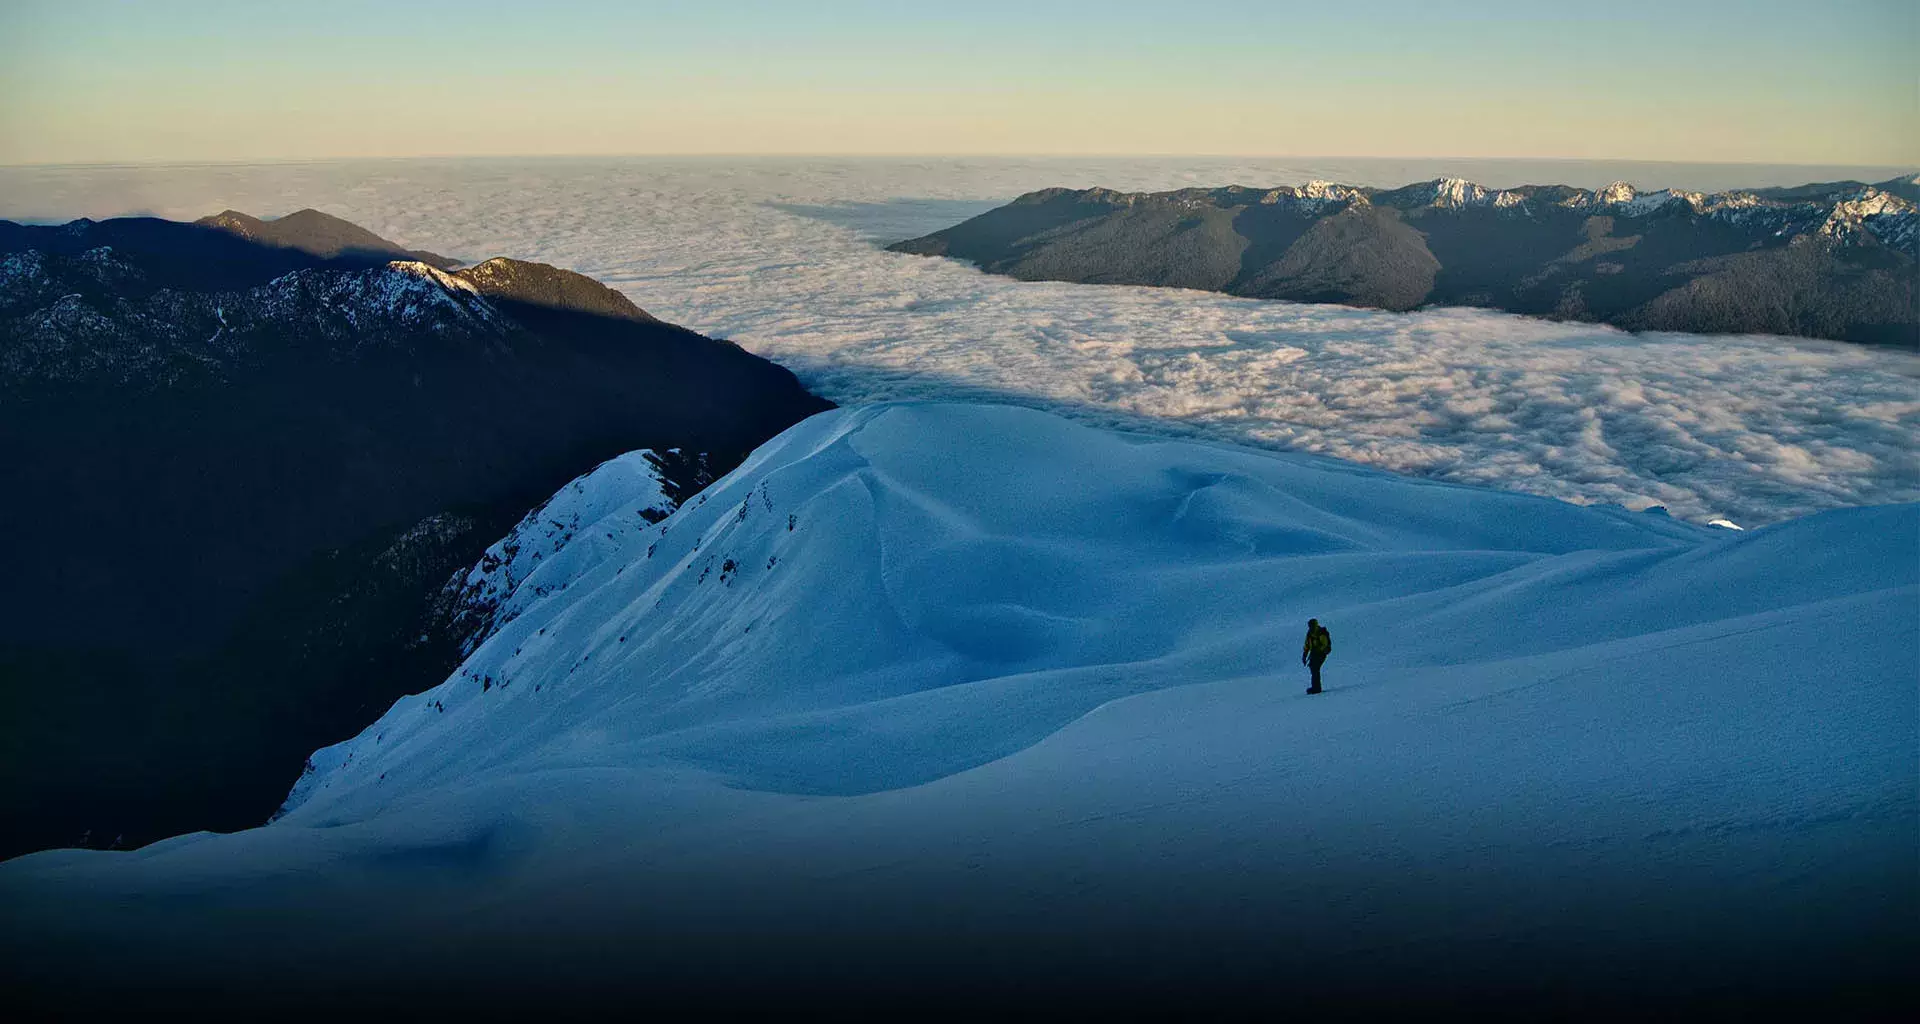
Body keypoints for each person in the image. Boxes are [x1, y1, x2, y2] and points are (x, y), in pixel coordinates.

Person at [1301, 618, 1332, 694]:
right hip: (1315, 654)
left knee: (1315, 668)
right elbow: (1307, 645)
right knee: (1313, 668)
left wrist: (1317, 650)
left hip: (1321, 653)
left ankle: (1316, 688)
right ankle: (1316, 687)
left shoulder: (1321, 632)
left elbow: (1324, 644)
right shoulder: (1309, 634)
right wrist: (1304, 655)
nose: (1310, 627)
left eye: (1312, 625)